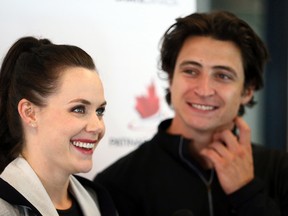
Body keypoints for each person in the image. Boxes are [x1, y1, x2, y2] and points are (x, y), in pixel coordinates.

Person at [94, 11, 288, 216]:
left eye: (222, 75)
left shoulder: (281, 169)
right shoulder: (118, 183)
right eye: (191, 71)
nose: (204, 90)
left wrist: (247, 193)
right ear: (170, 78)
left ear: (247, 91)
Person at [0, 36, 117, 216]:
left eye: (99, 111)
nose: (97, 126)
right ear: (29, 112)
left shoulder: (99, 202)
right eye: (79, 109)